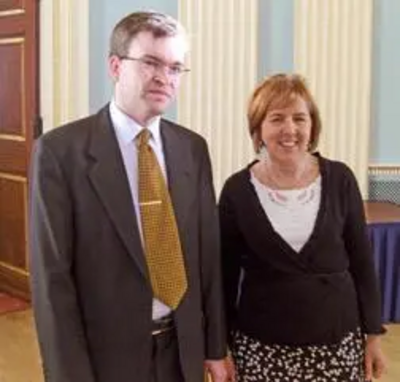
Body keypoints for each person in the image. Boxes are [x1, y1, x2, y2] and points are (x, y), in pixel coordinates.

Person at [29, 11, 230, 382]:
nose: (163, 77)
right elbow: (52, 282)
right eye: (150, 62)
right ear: (115, 65)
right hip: (105, 359)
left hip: (182, 352)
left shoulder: (192, 149)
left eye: (174, 68)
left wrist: (215, 347)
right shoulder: (59, 153)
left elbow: (207, 259)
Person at [219, 73, 387, 382]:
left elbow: (363, 263)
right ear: (258, 129)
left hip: (337, 344)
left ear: (312, 127)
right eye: (276, 118)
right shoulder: (236, 191)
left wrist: (373, 335)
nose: (290, 129)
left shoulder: (341, 180)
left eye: (300, 118)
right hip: (261, 348)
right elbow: (224, 278)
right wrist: (220, 348)